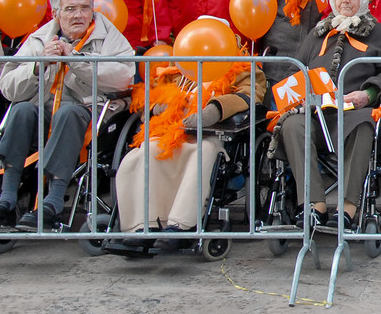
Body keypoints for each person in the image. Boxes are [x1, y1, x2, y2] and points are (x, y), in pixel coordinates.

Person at [0, 0, 135, 230]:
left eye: (84, 8)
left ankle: (53, 201)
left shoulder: (108, 36)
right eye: (70, 9)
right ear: (56, 13)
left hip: (89, 112)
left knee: (67, 113)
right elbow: (9, 87)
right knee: (21, 110)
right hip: (44, 109)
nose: (78, 15)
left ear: (92, 11)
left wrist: (76, 60)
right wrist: (38, 66)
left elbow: (123, 77)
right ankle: (7, 198)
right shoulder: (39, 38)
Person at [113, 23, 266, 248]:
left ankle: (180, 225)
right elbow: (153, 97)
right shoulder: (177, 68)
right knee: (146, 152)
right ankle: (142, 225)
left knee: (201, 152)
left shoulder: (244, 67)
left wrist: (215, 109)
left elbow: (251, 96)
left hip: (215, 134)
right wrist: (160, 107)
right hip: (172, 130)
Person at [278, 0, 381, 232]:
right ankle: (314, 206)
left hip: (354, 111)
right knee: (292, 125)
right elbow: (295, 71)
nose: (345, 0)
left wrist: (367, 94)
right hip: (316, 113)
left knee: (365, 124)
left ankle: (348, 208)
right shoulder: (318, 32)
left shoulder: (378, 32)